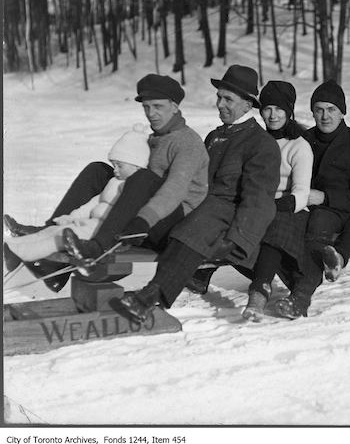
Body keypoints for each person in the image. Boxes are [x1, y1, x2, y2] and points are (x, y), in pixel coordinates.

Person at [105, 65, 281, 323]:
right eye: (219, 97)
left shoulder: (261, 144)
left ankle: (151, 296)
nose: (220, 104)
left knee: (200, 221)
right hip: (199, 209)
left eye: (228, 99)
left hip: (225, 217)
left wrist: (236, 241)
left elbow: (259, 201)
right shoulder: (214, 136)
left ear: (248, 105)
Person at [4, 74, 209, 292]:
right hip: (143, 217)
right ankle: (53, 230)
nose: (151, 114)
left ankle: (97, 246)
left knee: (143, 177)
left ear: (175, 107)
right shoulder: (155, 138)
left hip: (172, 226)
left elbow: (174, 190)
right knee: (98, 170)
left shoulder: (188, 143)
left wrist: (141, 221)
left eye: (158, 106)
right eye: (146, 107)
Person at [274, 80, 350, 319]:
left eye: (331, 109)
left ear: (342, 112)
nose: (325, 116)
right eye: (319, 109)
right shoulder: (304, 139)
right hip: (304, 204)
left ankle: (300, 298)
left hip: (343, 209)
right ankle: (294, 277)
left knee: (317, 232)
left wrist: (323, 197)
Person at [3, 125, 150, 279]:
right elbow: (94, 203)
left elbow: (123, 214)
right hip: (90, 223)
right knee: (52, 231)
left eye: (120, 166)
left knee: (58, 238)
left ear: (137, 166)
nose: (115, 170)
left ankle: (22, 254)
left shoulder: (136, 187)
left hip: (103, 229)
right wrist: (72, 217)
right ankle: (12, 248)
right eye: (114, 165)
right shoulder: (114, 182)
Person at [242, 80, 313, 322]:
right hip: (256, 204)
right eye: (267, 109)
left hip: (289, 208)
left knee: (273, 227)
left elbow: (302, 192)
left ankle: (259, 293)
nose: (272, 115)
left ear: (289, 111)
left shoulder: (299, 146)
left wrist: (275, 206)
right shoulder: (255, 140)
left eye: (279, 109)